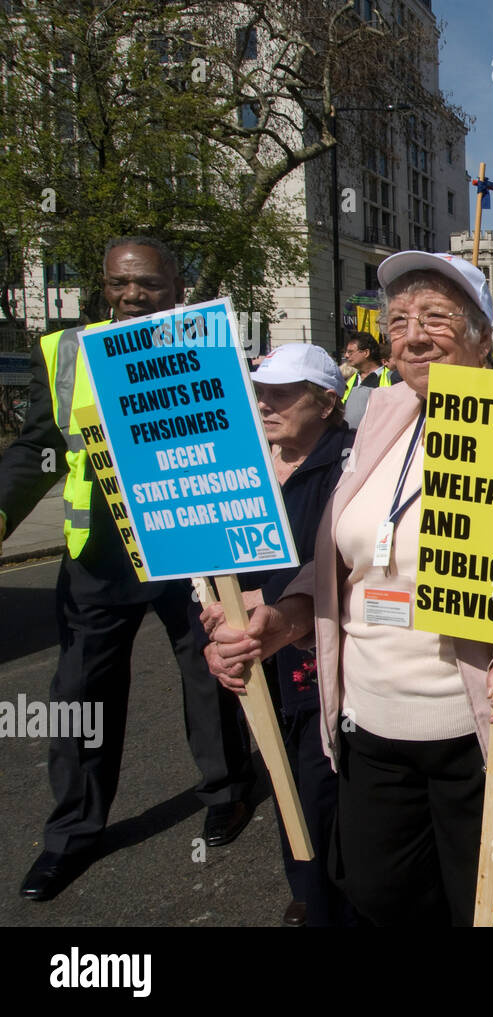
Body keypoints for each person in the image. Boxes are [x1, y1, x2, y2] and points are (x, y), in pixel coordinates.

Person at [206, 251, 493, 925]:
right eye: (398, 319)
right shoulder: (383, 411)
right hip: (371, 730)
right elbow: (346, 555)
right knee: (382, 896)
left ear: (483, 336)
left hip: (481, 732)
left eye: (436, 316)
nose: (413, 334)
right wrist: (282, 616)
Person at [1, 237, 253, 902]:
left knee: (210, 673)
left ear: (176, 285)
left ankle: (228, 791)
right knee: (80, 692)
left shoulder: (205, 344)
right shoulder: (66, 353)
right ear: (103, 285)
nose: (132, 295)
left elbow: (242, 440)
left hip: (187, 543)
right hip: (98, 558)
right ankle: (71, 836)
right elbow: (34, 451)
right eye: (119, 283)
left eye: (147, 284)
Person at [205, 343, 354, 926]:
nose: (265, 404)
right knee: (284, 770)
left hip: (323, 654)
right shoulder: (248, 466)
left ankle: (331, 901)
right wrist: (215, 606)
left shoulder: (352, 461)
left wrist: (269, 602)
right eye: (260, 391)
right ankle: (307, 887)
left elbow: (345, 556)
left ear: (325, 401)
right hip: (258, 655)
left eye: (282, 393)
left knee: (323, 784)